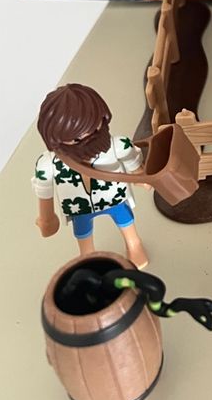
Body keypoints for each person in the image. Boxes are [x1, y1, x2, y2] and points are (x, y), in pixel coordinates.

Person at [33, 83, 149, 267]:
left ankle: (134, 244)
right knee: (83, 233)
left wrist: (141, 176)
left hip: (114, 197)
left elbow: (133, 162)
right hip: (79, 206)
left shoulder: (118, 146)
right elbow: (44, 190)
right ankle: (88, 257)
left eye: (93, 129)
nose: (87, 138)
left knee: (125, 219)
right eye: (76, 138)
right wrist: (47, 218)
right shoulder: (48, 164)